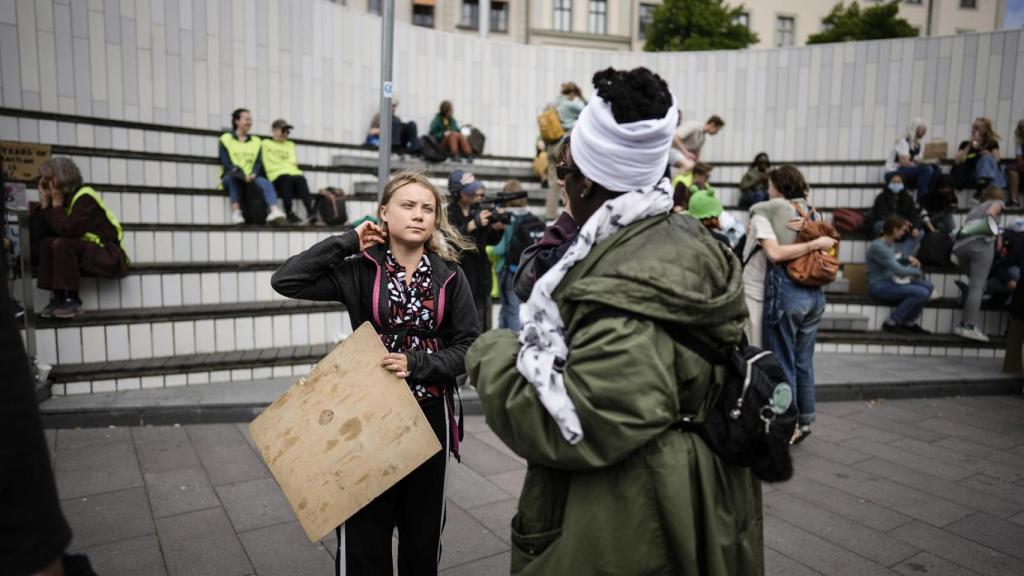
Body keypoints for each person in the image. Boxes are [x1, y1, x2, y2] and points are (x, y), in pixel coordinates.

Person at [466, 67, 763, 576]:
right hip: (698, 495)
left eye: (566, 174)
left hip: (637, 509)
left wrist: (491, 352)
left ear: (584, 183)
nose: (562, 186)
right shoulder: (685, 236)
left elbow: (580, 421)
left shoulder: (620, 280)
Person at [270, 170, 479, 576]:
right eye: (407, 205)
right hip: (364, 417)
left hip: (428, 416)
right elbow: (287, 280)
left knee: (421, 538)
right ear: (384, 212)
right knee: (365, 534)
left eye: (427, 208)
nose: (418, 215)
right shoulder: (360, 269)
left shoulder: (449, 275)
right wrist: (349, 240)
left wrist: (417, 364)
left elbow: (469, 347)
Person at [747, 165, 838, 445]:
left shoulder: (773, 210)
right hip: (815, 293)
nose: (767, 189)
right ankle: (805, 419)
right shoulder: (813, 212)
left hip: (789, 291)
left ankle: (787, 423)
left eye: (771, 185)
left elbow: (774, 253)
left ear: (778, 187)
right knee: (803, 361)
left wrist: (762, 210)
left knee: (782, 360)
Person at [34, 158, 129, 319]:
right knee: (47, 243)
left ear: (63, 176)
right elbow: (40, 234)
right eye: (43, 180)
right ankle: (58, 297)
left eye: (49, 179)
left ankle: (72, 300)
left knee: (62, 244)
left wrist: (56, 205)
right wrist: (45, 204)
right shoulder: (64, 199)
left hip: (110, 255)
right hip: (87, 253)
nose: (46, 184)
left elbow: (68, 230)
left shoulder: (85, 197)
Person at [513, 137, 580, 302]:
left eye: (563, 172)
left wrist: (570, 213)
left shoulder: (594, 234)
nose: (558, 181)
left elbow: (525, 283)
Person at [445, 169, 504, 330]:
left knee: (485, 324)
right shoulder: (448, 214)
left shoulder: (477, 210)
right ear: (457, 193)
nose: (474, 195)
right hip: (463, 277)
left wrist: (497, 228)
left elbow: (490, 241)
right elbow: (450, 243)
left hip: (482, 277)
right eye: (469, 191)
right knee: (468, 327)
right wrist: (470, 226)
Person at [952, 186, 1005, 342]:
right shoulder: (998, 202)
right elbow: (991, 214)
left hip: (961, 247)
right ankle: (969, 327)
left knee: (976, 286)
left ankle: (962, 324)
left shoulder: (975, 209)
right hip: (981, 244)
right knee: (977, 287)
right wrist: (997, 236)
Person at [218, 108, 287, 224]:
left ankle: (274, 210)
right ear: (236, 121)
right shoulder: (225, 139)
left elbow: (258, 162)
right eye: (247, 119)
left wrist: (254, 174)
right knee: (232, 179)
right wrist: (242, 175)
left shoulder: (256, 141)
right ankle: (236, 212)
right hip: (234, 175)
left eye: (250, 120)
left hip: (252, 176)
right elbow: (227, 164)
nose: (249, 122)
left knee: (266, 182)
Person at [867, 215, 934, 334]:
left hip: (890, 281)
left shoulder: (890, 244)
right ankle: (892, 321)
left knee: (929, 286)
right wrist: (918, 272)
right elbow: (899, 270)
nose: (904, 233)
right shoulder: (877, 246)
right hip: (879, 285)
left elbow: (894, 258)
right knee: (921, 292)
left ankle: (909, 321)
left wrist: (907, 258)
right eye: (902, 230)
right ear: (894, 230)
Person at [490, 180, 542, 332]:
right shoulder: (529, 215)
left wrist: (489, 248)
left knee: (512, 311)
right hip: (525, 271)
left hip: (508, 271)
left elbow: (499, 250)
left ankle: (516, 346)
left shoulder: (508, 218)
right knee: (507, 309)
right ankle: (500, 341)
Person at [262, 119, 319, 225]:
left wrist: (283, 164)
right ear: (273, 130)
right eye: (283, 130)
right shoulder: (266, 143)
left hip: (290, 173)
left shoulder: (290, 144)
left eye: (287, 131)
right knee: (287, 178)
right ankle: (289, 212)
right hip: (275, 175)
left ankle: (310, 211)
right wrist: (285, 165)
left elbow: (293, 164)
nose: (285, 134)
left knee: (300, 178)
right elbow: (269, 164)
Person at [543, 82, 587, 219]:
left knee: (553, 183)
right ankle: (568, 213)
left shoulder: (554, 104)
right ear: (573, 93)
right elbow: (588, 109)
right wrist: (582, 97)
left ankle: (549, 215)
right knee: (566, 180)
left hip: (551, 145)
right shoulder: (570, 104)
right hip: (563, 145)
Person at [883, 118, 942, 200]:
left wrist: (930, 161)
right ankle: (922, 199)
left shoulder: (917, 144)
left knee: (936, 170)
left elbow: (917, 161)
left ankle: (929, 197)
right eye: (923, 129)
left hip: (906, 172)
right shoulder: (903, 141)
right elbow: (904, 163)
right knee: (926, 170)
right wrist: (920, 165)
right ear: (915, 128)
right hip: (893, 173)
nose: (925, 132)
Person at [869, 174, 927, 256]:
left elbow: (914, 216)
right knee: (885, 226)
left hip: (903, 226)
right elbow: (882, 214)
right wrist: (900, 222)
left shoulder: (908, 198)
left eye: (899, 182)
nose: (896, 184)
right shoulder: (881, 197)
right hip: (884, 223)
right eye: (893, 182)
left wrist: (916, 228)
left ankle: (900, 255)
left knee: (920, 232)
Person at [953, 117, 1005, 194]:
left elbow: (997, 160)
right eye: (973, 127)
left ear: (984, 130)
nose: (973, 130)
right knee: (990, 166)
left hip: (989, 174)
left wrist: (989, 154)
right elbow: (957, 161)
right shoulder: (965, 144)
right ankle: (984, 189)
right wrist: (970, 145)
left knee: (987, 158)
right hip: (973, 174)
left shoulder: (992, 143)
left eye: (977, 128)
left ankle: (980, 189)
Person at [1006, 119, 1024, 206]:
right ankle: (1014, 200)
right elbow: (1020, 160)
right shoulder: (1020, 144)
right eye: (1021, 128)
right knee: (1012, 169)